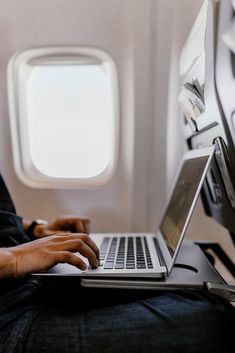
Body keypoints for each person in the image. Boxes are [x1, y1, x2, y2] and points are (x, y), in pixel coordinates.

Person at [0, 174, 234, 353]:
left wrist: (34, 228)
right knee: (212, 318)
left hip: (27, 280)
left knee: (194, 280)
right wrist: (13, 258)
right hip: (8, 317)